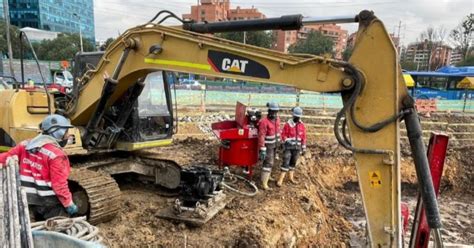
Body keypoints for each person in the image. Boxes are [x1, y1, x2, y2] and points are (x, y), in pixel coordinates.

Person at [0, 114, 78, 220]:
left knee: (30, 230)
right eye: (66, 131)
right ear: (58, 132)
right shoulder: (57, 155)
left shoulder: (25, 145)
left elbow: (5, 158)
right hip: (49, 203)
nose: (67, 135)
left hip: (27, 200)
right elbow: (59, 186)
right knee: (57, 232)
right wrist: (69, 204)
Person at [277, 106, 307, 187]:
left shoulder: (302, 125)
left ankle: (291, 178)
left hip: (297, 148)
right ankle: (280, 180)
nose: (297, 118)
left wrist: (303, 148)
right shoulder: (288, 125)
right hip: (288, 147)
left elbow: (303, 137)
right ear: (293, 115)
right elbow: (283, 135)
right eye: (296, 117)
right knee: (286, 161)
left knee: (293, 162)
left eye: (298, 117)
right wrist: (285, 142)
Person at [258, 102, 281, 190]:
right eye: (272, 112)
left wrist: (280, 142)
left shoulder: (277, 119)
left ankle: (267, 177)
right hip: (268, 146)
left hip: (275, 144)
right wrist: (262, 147)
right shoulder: (264, 122)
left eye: (276, 112)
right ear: (269, 111)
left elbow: (278, 131)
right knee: (268, 162)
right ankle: (264, 183)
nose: (274, 114)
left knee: (272, 161)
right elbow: (261, 135)